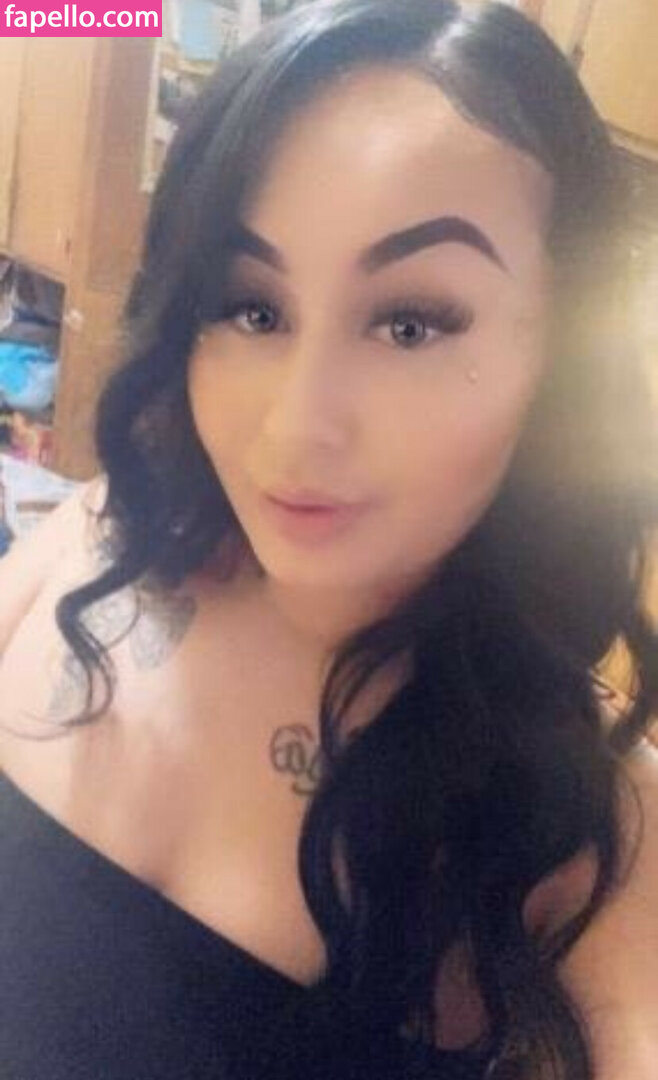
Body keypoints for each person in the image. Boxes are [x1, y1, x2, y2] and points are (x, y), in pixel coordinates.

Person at [0, 1, 656, 1077]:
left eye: (410, 323)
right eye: (252, 308)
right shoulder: (91, 549)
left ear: (562, 361)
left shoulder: (588, 836)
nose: (297, 427)